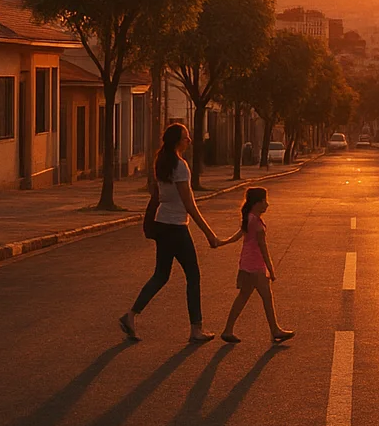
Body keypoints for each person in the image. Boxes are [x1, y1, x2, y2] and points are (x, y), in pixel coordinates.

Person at [120, 123, 222, 343]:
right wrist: (209, 233)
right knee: (193, 275)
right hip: (176, 227)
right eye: (186, 137)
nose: (189, 141)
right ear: (177, 141)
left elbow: (158, 193)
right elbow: (189, 204)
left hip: (162, 223)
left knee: (161, 275)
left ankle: (131, 315)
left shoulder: (162, 162)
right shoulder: (180, 166)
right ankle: (196, 328)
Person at [219, 187, 295, 344]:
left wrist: (221, 242)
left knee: (243, 296)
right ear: (257, 203)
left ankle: (228, 330)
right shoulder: (257, 223)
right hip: (255, 265)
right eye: (264, 201)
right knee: (266, 297)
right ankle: (275, 330)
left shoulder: (249, 218)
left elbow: (237, 236)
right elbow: (263, 247)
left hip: (246, 262)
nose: (267, 204)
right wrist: (271, 269)